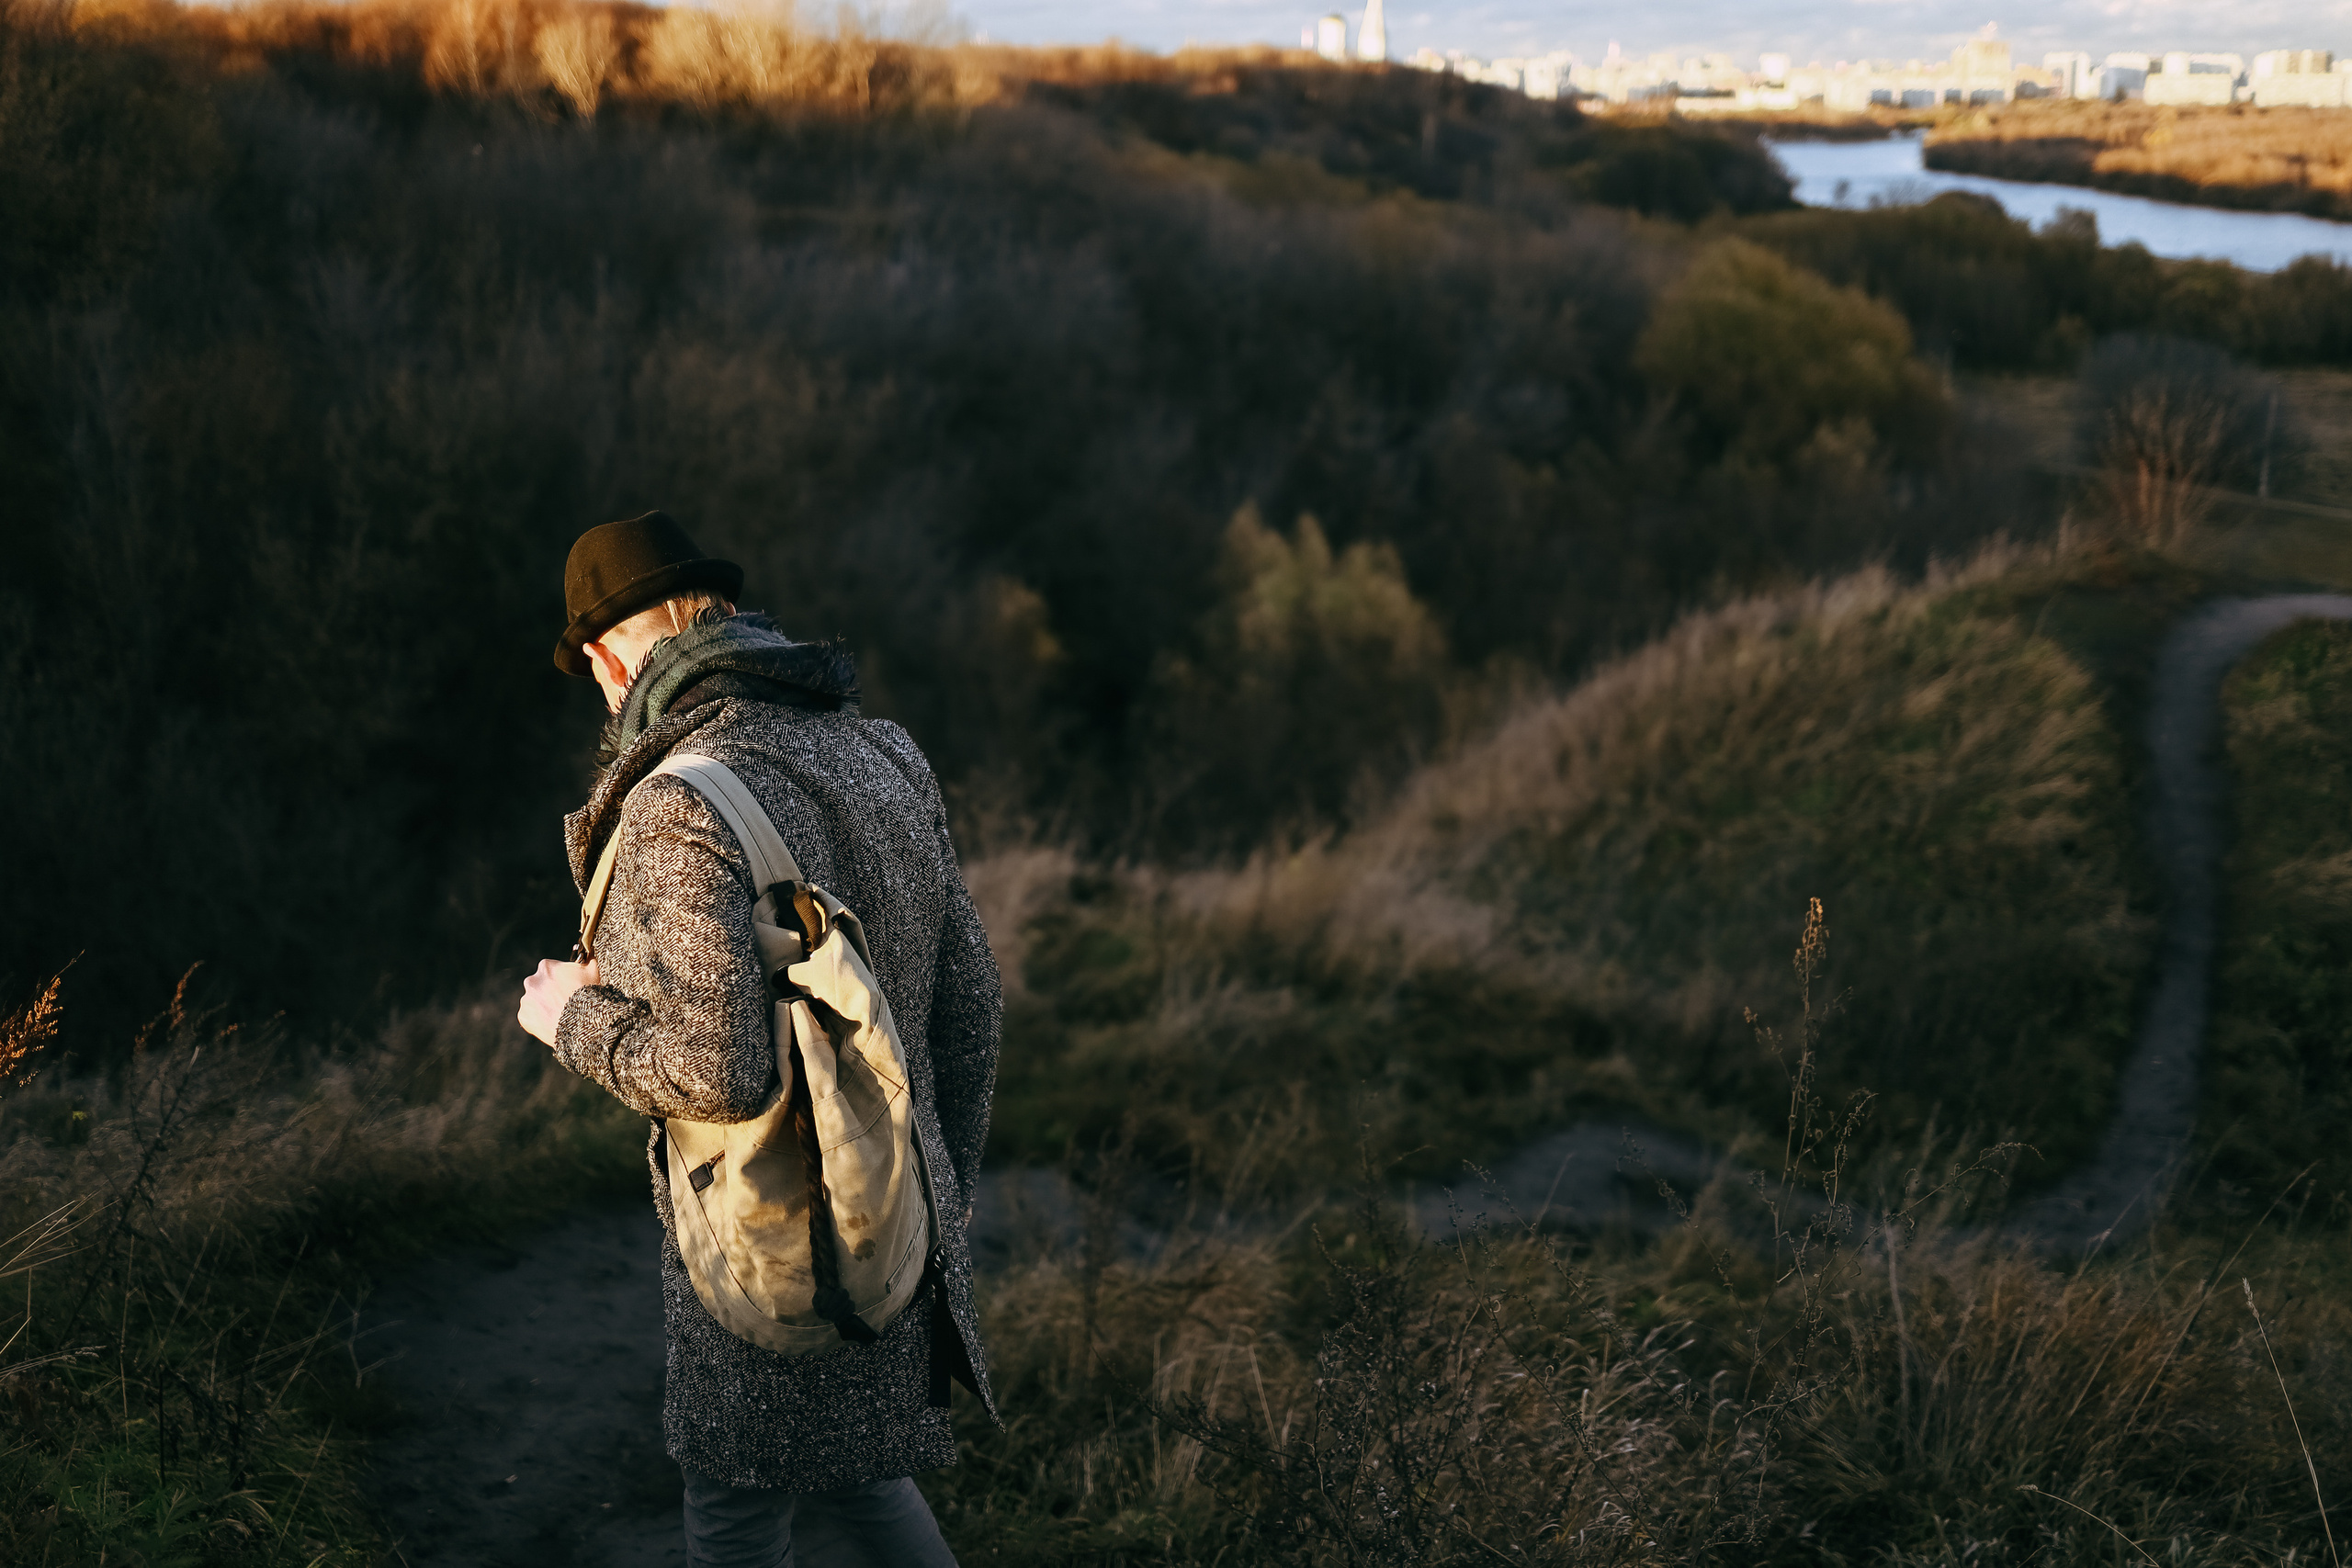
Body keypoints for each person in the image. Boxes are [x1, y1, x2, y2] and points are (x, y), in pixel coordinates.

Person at [515, 511, 1001, 1568]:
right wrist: (937, 1181)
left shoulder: (675, 803)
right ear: (725, 615)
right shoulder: (884, 751)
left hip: (766, 1236)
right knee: (866, 1474)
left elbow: (719, 1072)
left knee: (737, 1508)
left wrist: (571, 1018)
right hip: (892, 1215)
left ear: (605, 659)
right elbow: (973, 1000)